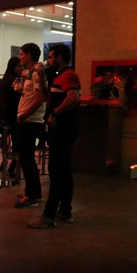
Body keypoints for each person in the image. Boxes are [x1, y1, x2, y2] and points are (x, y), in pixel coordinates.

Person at [28, 43, 81, 229]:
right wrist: (41, 77)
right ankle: (65, 211)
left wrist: (55, 113)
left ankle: (49, 215)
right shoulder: (58, 76)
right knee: (63, 171)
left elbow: (73, 97)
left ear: (59, 58)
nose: (48, 60)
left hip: (63, 130)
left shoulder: (68, 75)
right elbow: (45, 98)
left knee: (57, 171)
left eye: (51, 57)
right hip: (59, 130)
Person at [14, 43, 46, 208]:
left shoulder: (37, 74)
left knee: (27, 159)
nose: (20, 57)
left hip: (30, 121)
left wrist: (24, 115)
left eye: (21, 54)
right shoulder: (31, 74)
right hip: (27, 120)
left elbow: (40, 99)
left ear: (28, 56)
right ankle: (32, 191)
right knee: (26, 158)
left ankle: (32, 194)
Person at [0, 56, 22, 174]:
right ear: (13, 67)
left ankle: (4, 161)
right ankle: (14, 164)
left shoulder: (2, 81)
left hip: (2, 116)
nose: (21, 68)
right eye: (19, 66)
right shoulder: (16, 81)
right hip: (13, 115)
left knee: (5, 141)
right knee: (16, 141)